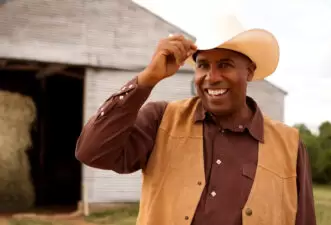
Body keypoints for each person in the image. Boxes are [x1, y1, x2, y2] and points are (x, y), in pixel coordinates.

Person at [75, 15, 316, 225]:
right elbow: (91, 151)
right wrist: (147, 79)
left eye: (225, 65)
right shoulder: (160, 120)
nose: (212, 77)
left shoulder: (289, 144)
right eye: (203, 66)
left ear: (249, 72)